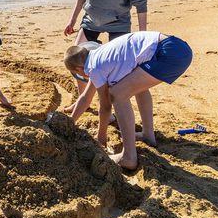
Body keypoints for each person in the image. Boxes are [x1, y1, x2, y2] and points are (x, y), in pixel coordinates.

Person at [64, 31, 192, 170]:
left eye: (79, 74)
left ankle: (129, 157)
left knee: (117, 95)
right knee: (138, 86)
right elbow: (85, 98)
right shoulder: (99, 56)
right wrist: (70, 122)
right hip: (178, 46)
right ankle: (148, 135)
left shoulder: (94, 67)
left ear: (79, 68)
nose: (83, 77)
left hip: (168, 53)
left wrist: (101, 136)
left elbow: (106, 105)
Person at [63, 0, 149, 116]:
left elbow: (140, 2)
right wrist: (72, 20)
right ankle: (82, 101)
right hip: (91, 19)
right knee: (75, 62)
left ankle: (109, 109)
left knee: (117, 72)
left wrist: (142, 35)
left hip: (118, 23)